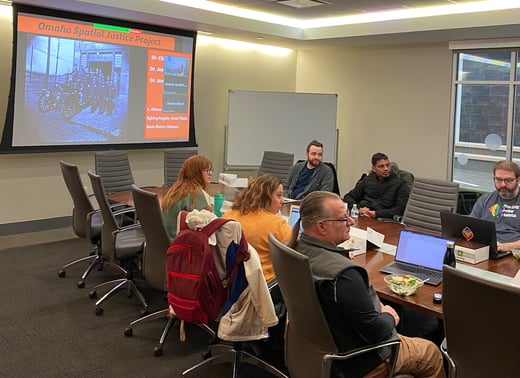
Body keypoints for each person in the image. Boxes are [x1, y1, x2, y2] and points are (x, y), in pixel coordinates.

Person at [288, 191, 445, 378]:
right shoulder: (345, 275)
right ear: (322, 227)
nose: (351, 222)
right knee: (431, 353)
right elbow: (376, 332)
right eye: (343, 219)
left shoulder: (294, 249)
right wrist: (389, 316)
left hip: (315, 351)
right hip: (361, 360)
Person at [223, 174, 291, 283]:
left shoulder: (227, 216)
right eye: (279, 195)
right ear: (266, 197)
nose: (282, 201)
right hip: (263, 287)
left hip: (231, 284)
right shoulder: (277, 224)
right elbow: (295, 256)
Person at [470, 160, 520, 251]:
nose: (503, 184)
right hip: (485, 249)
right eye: (498, 179)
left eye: (508, 180)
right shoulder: (485, 200)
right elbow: (470, 227)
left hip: (513, 253)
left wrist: (507, 247)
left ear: (518, 180)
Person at [343, 152, 410, 219]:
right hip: (363, 216)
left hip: (383, 219)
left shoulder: (400, 184)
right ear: (374, 169)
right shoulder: (367, 180)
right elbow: (348, 197)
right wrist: (358, 209)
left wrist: (376, 214)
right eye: (381, 166)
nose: (386, 168)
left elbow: (401, 209)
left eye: (387, 165)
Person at [162, 155, 213, 238]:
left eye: (211, 170)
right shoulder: (198, 194)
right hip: (181, 243)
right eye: (207, 170)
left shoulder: (176, 189)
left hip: (164, 239)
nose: (210, 173)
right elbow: (207, 226)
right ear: (197, 172)